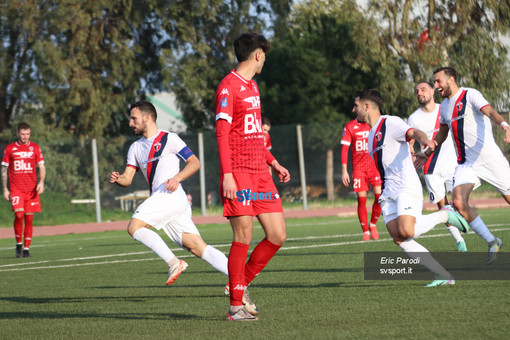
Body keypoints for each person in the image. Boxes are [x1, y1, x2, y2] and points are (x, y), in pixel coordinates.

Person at [356, 89, 469, 287]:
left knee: (408, 231)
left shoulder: (390, 122)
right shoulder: (370, 135)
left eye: (356, 105)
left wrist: (423, 140)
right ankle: (442, 274)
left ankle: (446, 215)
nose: (353, 109)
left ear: (367, 106)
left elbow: (412, 132)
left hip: (405, 186)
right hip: (387, 192)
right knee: (398, 237)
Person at [109, 100, 229, 286]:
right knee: (197, 247)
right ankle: (239, 277)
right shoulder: (135, 148)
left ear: (147, 118)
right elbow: (127, 179)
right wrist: (118, 179)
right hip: (167, 201)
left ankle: (174, 263)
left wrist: (177, 179)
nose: (130, 123)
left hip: (170, 195)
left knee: (134, 227)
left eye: (134, 118)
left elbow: (195, 163)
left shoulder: (169, 138)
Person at [215, 33, 290, 321]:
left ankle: (239, 284)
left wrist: (274, 162)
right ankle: (235, 305)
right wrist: (228, 176)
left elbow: (256, 134)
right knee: (243, 235)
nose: (265, 59)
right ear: (257, 55)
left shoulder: (253, 87)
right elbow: (222, 134)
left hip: (261, 173)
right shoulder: (228, 87)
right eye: (265, 55)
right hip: (239, 174)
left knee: (277, 234)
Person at [416, 66, 510, 264]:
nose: (436, 86)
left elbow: (490, 112)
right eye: (434, 82)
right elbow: (442, 134)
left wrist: (504, 124)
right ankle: (492, 241)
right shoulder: (444, 107)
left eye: (438, 81)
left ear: (451, 80)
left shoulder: (470, 95)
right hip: (466, 164)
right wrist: (428, 151)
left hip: (490, 159)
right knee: (458, 202)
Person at [407, 81, 467, 252]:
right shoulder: (413, 118)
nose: (419, 93)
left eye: (423, 89)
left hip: (452, 166)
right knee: (443, 208)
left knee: (460, 202)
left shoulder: (445, 109)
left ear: (432, 91)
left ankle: (469, 226)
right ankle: (459, 241)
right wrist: (412, 155)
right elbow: (410, 142)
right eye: (416, 90)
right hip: (430, 170)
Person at [2, 122, 46, 258]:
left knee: (29, 219)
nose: (25, 137)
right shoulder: (9, 149)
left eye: (27, 134)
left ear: (30, 134)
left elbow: (42, 166)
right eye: (22, 134)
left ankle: (26, 250)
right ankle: (18, 244)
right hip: (16, 189)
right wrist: (5, 188)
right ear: (17, 133)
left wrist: (42, 182)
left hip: (31, 189)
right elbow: (4, 169)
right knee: (19, 215)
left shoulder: (35, 148)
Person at [341, 115, 382, 241]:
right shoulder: (350, 126)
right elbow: (344, 149)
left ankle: (373, 224)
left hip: (374, 167)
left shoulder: (374, 123)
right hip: (359, 169)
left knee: (380, 197)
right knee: (361, 200)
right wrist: (344, 171)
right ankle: (365, 231)